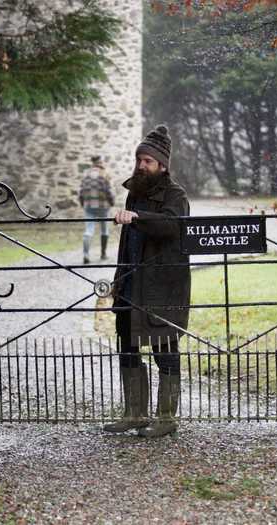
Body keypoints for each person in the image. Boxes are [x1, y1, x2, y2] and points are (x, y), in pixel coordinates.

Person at [103, 124, 191, 438]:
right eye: (139, 159)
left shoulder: (175, 194)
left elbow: (171, 227)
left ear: (162, 165)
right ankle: (134, 414)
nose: (141, 165)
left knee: (164, 351)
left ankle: (166, 419)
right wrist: (118, 280)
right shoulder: (134, 193)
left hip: (161, 288)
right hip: (130, 284)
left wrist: (139, 218)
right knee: (127, 348)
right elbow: (127, 244)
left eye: (148, 161)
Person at [79, 155, 115, 263]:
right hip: (103, 206)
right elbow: (109, 190)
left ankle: (86, 255)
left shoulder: (86, 174)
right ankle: (103, 254)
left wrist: (82, 202)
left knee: (88, 230)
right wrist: (112, 201)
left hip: (89, 205)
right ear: (100, 162)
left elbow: (81, 191)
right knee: (104, 229)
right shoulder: (105, 174)